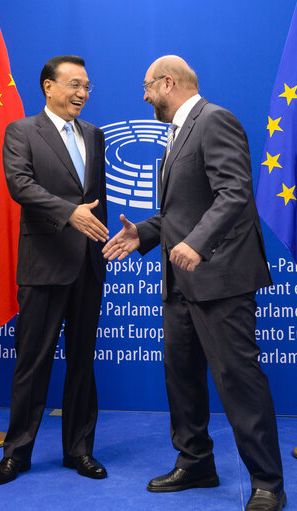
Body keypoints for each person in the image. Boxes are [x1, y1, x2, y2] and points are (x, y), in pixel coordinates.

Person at [103, 55, 286, 511]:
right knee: (181, 376)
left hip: (220, 278)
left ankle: (267, 482)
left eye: (147, 87)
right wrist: (144, 233)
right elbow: (179, 214)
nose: (144, 97)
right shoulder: (175, 137)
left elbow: (235, 191)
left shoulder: (214, 120)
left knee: (238, 379)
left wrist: (198, 243)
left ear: (167, 83)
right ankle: (196, 461)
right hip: (180, 282)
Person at [0, 55, 109, 485]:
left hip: (88, 268)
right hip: (43, 266)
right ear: (48, 87)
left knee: (82, 364)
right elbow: (19, 184)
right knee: (32, 365)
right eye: (74, 84)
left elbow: (98, 200)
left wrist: (101, 240)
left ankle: (79, 451)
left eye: (87, 86)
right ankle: (16, 454)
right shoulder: (21, 131)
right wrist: (69, 214)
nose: (82, 93)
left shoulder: (95, 136)